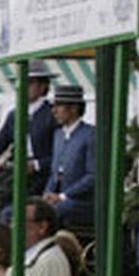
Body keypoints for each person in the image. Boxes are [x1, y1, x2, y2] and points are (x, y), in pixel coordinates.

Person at [0, 59, 58, 205]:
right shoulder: (14, 115)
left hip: (42, 176)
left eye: (29, 82)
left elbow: (61, 154)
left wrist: (37, 165)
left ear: (42, 86)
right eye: (19, 82)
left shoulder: (52, 114)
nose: (22, 87)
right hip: (15, 173)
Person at [42, 85, 96, 229]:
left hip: (82, 203)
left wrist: (63, 196)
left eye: (59, 106)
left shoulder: (90, 135)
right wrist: (46, 195)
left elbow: (93, 176)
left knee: (51, 213)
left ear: (73, 108)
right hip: (58, 198)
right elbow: (54, 173)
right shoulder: (58, 135)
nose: (54, 111)